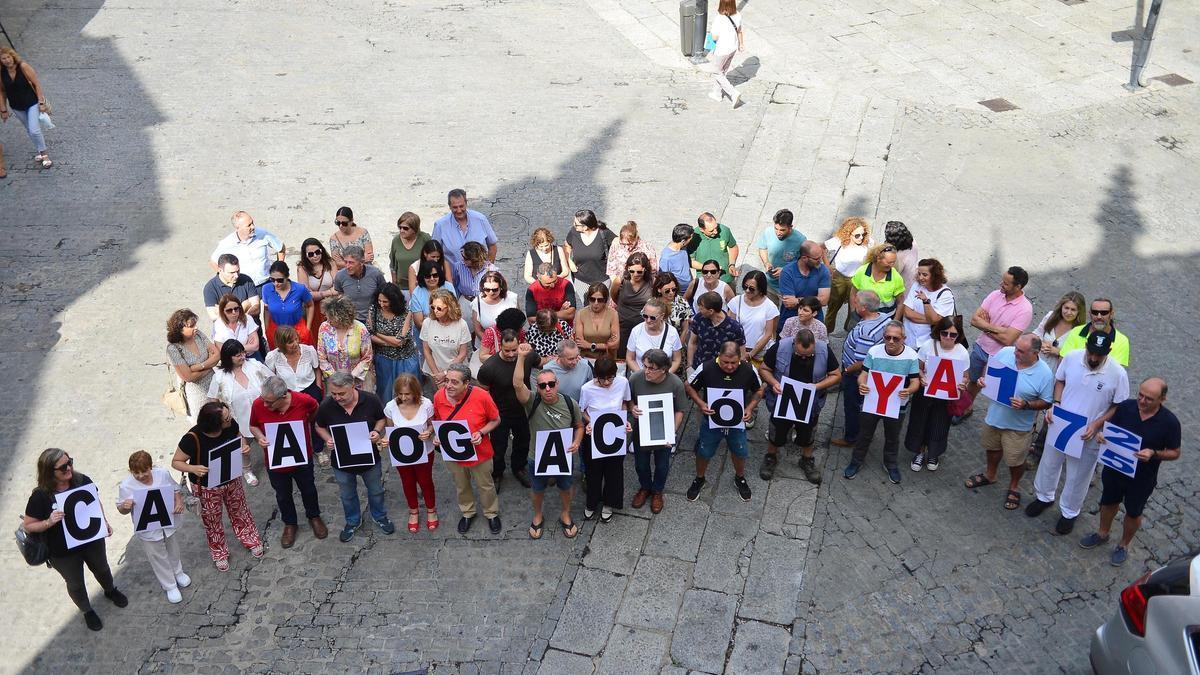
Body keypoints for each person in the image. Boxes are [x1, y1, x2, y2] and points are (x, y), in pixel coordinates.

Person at [1028, 332, 1129, 535]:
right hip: (1062, 422)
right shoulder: (1072, 357)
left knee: (1079, 474)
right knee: (1049, 461)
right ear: (1086, 347)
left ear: (1108, 352)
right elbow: (1060, 381)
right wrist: (1055, 404)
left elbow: (1118, 405)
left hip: (1088, 431)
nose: (1093, 358)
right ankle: (1044, 497)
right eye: (1091, 352)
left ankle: (1069, 512)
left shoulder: (1118, 374)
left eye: (1098, 355)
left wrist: (1098, 423)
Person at [1079, 378, 1180, 566]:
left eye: (1149, 399)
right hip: (1115, 467)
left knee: (1133, 512)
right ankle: (1103, 533)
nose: (1142, 401)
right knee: (1108, 502)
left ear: (1162, 399)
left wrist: (1154, 453)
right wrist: (1103, 436)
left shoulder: (1170, 422)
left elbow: (1175, 452)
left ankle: (1124, 545)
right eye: (1140, 395)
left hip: (1142, 477)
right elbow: (1111, 430)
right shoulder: (1126, 407)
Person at [23, 448, 126, 631]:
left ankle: (110, 590)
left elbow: (95, 501)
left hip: (91, 540)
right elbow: (29, 525)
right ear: (49, 471)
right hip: (62, 551)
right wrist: (49, 521)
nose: (69, 468)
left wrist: (104, 522)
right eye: (63, 467)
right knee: (75, 583)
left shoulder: (81, 480)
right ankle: (87, 610)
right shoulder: (40, 496)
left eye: (69, 462)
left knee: (102, 569)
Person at [961, 334, 1054, 508]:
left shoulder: (1045, 374)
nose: (1015, 352)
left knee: (1016, 460)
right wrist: (983, 379)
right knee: (992, 447)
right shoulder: (1006, 352)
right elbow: (990, 368)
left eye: (1021, 351)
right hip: (994, 417)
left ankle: (1014, 486)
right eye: (1016, 347)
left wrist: (1027, 404)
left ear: (1035, 352)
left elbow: (1047, 401)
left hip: (1018, 425)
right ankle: (990, 474)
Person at [171, 402, 264, 570]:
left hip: (231, 478)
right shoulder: (192, 438)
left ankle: (250, 539)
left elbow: (238, 436)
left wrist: (243, 446)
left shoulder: (230, 425)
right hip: (207, 487)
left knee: (240, 511)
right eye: (226, 418)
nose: (230, 419)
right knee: (212, 520)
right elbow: (176, 462)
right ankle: (219, 552)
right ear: (214, 424)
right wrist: (193, 468)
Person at [514, 344, 584, 539]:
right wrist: (521, 357)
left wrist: (577, 442)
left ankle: (566, 513)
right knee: (537, 489)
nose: (548, 389)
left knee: (565, 486)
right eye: (543, 385)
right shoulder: (532, 401)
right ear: (538, 387)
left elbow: (579, 426)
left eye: (551, 384)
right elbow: (518, 385)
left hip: (563, 455)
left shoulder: (570, 404)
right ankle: (537, 516)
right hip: (537, 456)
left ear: (557, 384)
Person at [313, 372, 394, 542]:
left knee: (376, 490)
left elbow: (381, 419)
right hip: (342, 461)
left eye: (341, 393)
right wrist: (328, 439)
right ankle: (352, 521)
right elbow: (319, 426)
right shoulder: (327, 405)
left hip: (369, 458)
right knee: (347, 494)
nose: (337, 398)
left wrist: (377, 432)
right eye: (333, 394)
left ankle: (379, 516)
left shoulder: (370, 400)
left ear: (353, 386)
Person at [248, 377, 327, 548]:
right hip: (275, 460)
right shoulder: (258, 404)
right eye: (264, 401)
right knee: (283, 495)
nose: (266, 405)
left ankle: (314, 516)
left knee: (309, 489)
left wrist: (307, 423)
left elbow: (315, 411)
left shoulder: (303, 400)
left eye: (269, 402)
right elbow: (253, 425)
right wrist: (260, 437)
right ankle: (290, 524)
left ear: (283, 396)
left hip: (301, 457)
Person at [757, 329, 841, 484]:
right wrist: (774, 383)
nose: (804, 357)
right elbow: (764, 369)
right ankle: (771, 457)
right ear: (794, 343)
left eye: (808, 355)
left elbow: (836, 375)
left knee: (808, 431)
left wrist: (817, 386)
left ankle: (807, 459)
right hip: (783, 399)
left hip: (810, 401)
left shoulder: (823, 349)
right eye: (800, 354)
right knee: (777, 428)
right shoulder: (780, 347)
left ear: (814, 345)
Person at [843, 321, 920, 484]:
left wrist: (909, 390)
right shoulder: (874, 352)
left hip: (897, 405)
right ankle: (856, 461)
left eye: (896, 338)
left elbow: (915, 381)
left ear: (903, 339)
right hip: (872, 402)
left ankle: (890, 464)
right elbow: (864, 374)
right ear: (884, 337)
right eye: (888, 337)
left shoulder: (912, 356)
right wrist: (861, 384)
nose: (891, 341)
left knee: (893, 437)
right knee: (864, 434)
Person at [685, 341, 763, 501]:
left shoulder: (749, 369)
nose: (729, 367)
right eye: (725, 362)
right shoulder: (706, 368)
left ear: (740, 358)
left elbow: (760, 389)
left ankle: (739, 477)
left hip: (737, 422)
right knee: (704, 451)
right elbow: (689, 385)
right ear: (718, 357)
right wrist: (701, 404)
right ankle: (700, 478)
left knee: (740, 451)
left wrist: (749, 408)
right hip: (711, 421)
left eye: (733, 363)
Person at [432, 364, 502, 535]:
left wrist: (481, 432)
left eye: (454, 382)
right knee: (461, 485)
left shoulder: (482, 396)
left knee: (485, 485)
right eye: (447, 380)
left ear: (467, 383)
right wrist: (437, 435)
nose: (448, 386)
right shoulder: (439, 396)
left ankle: (491, 513)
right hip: (453, 453)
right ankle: (468, 512)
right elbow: (438, 421)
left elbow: (495, 420)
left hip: (480, 452)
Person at [116, 451, 189, 603]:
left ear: (151, 467)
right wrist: (125, 506)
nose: (141, 475)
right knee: (157, 556)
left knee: (173, 548)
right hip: (148, 528)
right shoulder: (126, 486)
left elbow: (175, 489)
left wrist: (179, 502)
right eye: (136, 472)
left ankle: (178, 572)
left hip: (167, 520)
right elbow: (121, 509)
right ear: (131, 471)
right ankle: (169, 585)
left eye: (145, 471)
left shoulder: (162, 474)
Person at [962, 266, 1033, 418]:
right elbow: (975, 319)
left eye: (1006, 283)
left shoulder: (1025, 309)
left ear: (1018, 286)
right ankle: (965, 408)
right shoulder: (995, 295)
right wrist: (998, 329)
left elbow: (1008, 339)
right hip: (981, 348)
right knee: (971, 381)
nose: (1001, 284)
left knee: (992, 389)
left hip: (999, 357)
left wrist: (986, 327)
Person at [904, 317, 969, 472]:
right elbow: (917, 368)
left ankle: (933, 453)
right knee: (919, 422)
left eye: (952, 335)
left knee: (939, 424)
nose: (947, 337)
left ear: (958, 335)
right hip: (925, 393)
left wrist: (963, 383)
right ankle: (919, 452)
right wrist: (921, 377)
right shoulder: (928, 346)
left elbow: (966, 376)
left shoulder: (962, 352)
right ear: (938, 332)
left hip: (946, 397)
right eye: (944, 333)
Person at [1028, 291, 1087, 458]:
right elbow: (1036, 334)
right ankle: (1027, 434)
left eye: (1073, 310)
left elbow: (1080, 357)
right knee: (1031, 402)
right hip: (1038, 366)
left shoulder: (1081, 332)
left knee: (1050, 409)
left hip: (1058, 372)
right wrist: (1039, 344)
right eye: (1066, 308)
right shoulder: (1050, 317)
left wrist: (1058, 351)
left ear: (1079, 312)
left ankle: (1039, 449)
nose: (1068, 312)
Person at [207, 339, 273, 487]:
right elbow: (212, 400)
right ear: (228, 357)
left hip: (262, 417)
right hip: (238, 421)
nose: (242, 357)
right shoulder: (219, 377)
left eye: (242, 353)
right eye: (237, 355)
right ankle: (247, 470)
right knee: (243, 449)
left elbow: (273, 381)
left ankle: (273, 462)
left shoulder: (255, 366)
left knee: (268, 442)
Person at [628, 349, 687, 513]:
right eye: (645, 366)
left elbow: (680, 411)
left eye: (651, 368)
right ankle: (645, 487)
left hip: (663, 431)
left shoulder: (676, 384)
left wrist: (672, 432)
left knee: (662, 465)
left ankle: (657, 491)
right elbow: (628, 400)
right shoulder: (635, 378)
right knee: (640, 464)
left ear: (664, 370)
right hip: (642, 429)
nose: (646, 371)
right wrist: (633, 408)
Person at [476, 330, 535, 490]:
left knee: (523, 441)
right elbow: (482, 393)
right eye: (506, 350)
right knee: (498, 446)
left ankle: (519, 468)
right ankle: (497, 473)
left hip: (523, 410)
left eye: (514, 350)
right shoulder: (489, 367)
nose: (511, 354)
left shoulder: (527, 357)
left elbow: (543, 361)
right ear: (499, 346)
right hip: (500, 413)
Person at [830, 291, 889, 448]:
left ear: (863, 308)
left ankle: (851, 437)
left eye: (855, 302)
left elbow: (861, 361)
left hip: (855, 374)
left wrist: (846, 371)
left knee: (852, 405)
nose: (853, 304)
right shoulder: (884, 319)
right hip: (871, 371)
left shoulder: (865, 332)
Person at [577, 357, 632, 522]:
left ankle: (610, 503)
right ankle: (591, 503)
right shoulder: (587, 389)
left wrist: (624, 419)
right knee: (593, 471)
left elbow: (624, 403)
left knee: (614, 471)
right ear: (596, 376)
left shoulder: (622, 382)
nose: (607, 382)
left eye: (610, 378)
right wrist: (590, 422)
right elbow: (582, 411)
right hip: (594, 433)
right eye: (603, 379)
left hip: (615, 432)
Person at [383, 375, 439, 533]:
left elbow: (431, 425)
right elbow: (390, 430)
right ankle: (413, 511)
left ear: (415, 392)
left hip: (424, 451)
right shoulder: (390, 406)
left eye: (407, 394)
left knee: (425, 481)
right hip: (401, 453)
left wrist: (428, 432)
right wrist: (386, 439)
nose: (403, 397)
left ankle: (431, 510)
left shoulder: (426, 404)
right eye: (400, 394)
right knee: (407, 481)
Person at [265, 325, 327, 465]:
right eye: (290, 342)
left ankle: (318, 449)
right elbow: (270, 377)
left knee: (315, 420)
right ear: (281, 344)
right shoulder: (273, 356)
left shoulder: (309, 351)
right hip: (287, 394)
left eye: (296, 339)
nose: (295, 344)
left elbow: (317, 369)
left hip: (310, 389)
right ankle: (299, 450)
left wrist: (317, 387)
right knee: (293, 422)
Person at [0, 47, 53, 167]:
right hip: (16, 106)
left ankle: (45, 155)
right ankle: (40, 151)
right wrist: (3, 109)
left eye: (8, 57)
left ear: (13, 56)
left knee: (34, 130)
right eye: (3, 58)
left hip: (31, 102)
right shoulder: (1, 72)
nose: (7, 60)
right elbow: (2, 92)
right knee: (30, 130)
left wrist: (41, 102)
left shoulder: (23, 67)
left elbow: (36, 84)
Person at [368, 282, 420, 401]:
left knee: (407, 393)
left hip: (405, 359)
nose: (382, 304)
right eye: (380, 301)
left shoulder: (406, 312)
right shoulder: (373, 309)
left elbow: (400, 341)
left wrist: (377, 333)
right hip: (383, 359)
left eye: (385, 301)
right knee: (385, 395)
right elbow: (369, 335)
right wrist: (390, 342)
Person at [166, 309, 220, 421]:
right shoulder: (174, 349)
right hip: (197, 392)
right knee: (204, 423)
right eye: (191, 326)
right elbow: (188, 377)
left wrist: (197, 367)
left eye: (195, 324)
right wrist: (209, 364)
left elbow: (217, 355)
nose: (195, 327)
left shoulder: (199, 335)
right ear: (179, 329)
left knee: (221, 417)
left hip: (215, 383)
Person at [823, 217, 873, 333]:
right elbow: (821, 248)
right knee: (833, 307)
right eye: (857, 235)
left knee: (854, 308)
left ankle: (849, 330)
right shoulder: (838, 241)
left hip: (858, 279)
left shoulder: (868, 241)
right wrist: (827, 265)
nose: (861, 238)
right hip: (840, 278)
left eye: (863, 234)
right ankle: (827, 332)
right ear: (849, 234)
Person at [209, 211, 285, 287]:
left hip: (266, 283)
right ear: (238, 228)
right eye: (248, 225)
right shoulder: (227, 243)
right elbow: (213, 261)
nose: (253, 227)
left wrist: (278, 270)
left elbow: (281, 248)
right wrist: (227, 279)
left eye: (252, 223)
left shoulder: (262, 234)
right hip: (244, 287)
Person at [316, 295, 373, 388]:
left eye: (331, 318)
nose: (328, 320)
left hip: (357, 382)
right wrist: (335, 378)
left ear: (341, 317)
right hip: (334, 382)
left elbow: (367, 357)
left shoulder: (360, 328)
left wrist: (351, 378)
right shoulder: (324, 328)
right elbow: (321, 356)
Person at [432, 188, 498, 268]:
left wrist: (488, 270)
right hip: (453, 278)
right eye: (455, 207)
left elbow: (492, 246)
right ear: (449, 206)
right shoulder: (440, 225)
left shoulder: (480, 219)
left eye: (461, 206)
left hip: (478, 275)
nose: (459, 210)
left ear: (466, 203)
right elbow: (434, 253)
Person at [563, 209, 617, 307]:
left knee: (600, 306)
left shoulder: (604, 233)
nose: (573, 225)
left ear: (585, 227)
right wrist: (569, 261)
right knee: (587, 306)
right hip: (581, 279)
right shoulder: (574, 232)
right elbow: (567, 245)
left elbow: (618, 244)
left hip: (602, 279)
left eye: (576, 224)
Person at [728, 269, 779, 369]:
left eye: (751, 288)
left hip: (759, 353)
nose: (747, 290)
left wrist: (751, 354)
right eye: (745, 287)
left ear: (760, 289)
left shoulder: (770, 306)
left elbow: (769, 334)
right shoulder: (736, 301)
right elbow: (730, 327)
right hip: (737, 349)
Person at [1058, 297, 1131, 367]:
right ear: (1090, 313)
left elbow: (1116, 373)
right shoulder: (1076, 331)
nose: (1099, 316)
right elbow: (1063, 361)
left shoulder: (1122, 341)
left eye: (1104, 313)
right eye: (1095, 312)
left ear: (1111, 314)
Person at [421, 289, 472, 388]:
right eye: (433, 307)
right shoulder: (427, 323)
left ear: (449, 307)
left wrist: (445, 374)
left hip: (456, 374)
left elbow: (462, 354)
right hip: (432, 373)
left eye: (439, 308)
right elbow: (426, 351)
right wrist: (437, 375)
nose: (435, 310)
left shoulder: (461, 324)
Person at [899, 258, 954, 349]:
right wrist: (931, 320)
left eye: (925, 275)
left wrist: (926, 302)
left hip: (928, 344)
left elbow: (934, 320)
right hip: (909, 340)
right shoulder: (917, 285)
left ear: (935, 276)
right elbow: (907, 312)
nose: (920, 278)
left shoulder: (945, 295)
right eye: (919, 274)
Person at [410, 257, 459, 355]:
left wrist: (428, 318)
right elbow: (419, 322)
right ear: (422, 277)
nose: (432, 279)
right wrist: (443, 316)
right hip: (427, 336)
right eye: (428, 276)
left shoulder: (448, 286)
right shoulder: (417, 292)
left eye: (435, 275)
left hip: (449, 333)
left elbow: (454, 312)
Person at [261, 261, 314, 349]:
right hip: (276, 331)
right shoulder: (266, 289)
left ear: (287, 277)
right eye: (272, 280)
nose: (276, 283)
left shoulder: (300, 289)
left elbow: (310, 305)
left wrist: (307, 328)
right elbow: (266, 309)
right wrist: (267, 329)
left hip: (297, 330)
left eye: (280, 280)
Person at [779, 240, 831, 329]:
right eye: (816, 259)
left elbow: (824, 300)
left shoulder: (823, 270)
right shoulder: (787, 272)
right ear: (804, 258)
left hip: (814, 321)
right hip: (790, 321)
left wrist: (797, 301)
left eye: (821, 257)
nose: (820, 261)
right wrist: (815, 300)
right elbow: (789, 304)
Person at [687, 291, 745, 370]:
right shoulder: (699, 319)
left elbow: (741, 354)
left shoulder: (735, 328)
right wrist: (689, 366)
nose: (699, 310)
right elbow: (692, 343)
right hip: (699, 368)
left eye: (701, 308)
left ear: (711, 311)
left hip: (722, 371)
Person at [755, 209, 806, 298]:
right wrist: (766, 262)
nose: (778, 233)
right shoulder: (768, 232)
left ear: (790, 227)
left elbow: (805, 264)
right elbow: (762, 248)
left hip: (788, 288)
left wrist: (785, 271)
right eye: (776, 228)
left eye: (782, 230)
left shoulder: (801, 240)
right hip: (769, 284)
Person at [611, 252, 653, 356]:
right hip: (623, 325)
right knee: (621, 356)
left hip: (643, 326)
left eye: (639, 272)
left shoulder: (652, 282)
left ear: (645, 270)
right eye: (632, 271)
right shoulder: (620, 281)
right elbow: (614, 296)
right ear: (627, 269)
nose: (635, 274)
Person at [626, 297, 683, 374]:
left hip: (663, 378)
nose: (648, 320)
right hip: (641, 376)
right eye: (645, 316)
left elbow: (676, 359)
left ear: (662, 316)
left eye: (652, 318)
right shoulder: (636, 331)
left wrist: (665, 374)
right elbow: (630, 358)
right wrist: (642, 374)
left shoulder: (672, 332)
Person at [849, 243, 904, 322]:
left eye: (893, 262)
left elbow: (900, 302)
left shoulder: (896, 277)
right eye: (889, 262)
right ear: (878, 259)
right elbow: (853, 293)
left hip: (885, 321)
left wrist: (894, 322)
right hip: (861, 318)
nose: (892, 265)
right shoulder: (862, 271)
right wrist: (854, 313)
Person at [333, 246, 386, 324]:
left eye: (351, 262)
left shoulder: (375, 273)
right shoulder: (340, 276)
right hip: (350, 321)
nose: (347, 266)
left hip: (374, 319)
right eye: (345, 262)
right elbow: (340, 295)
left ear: (362, 262)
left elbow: (384, 293)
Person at [707, 0, 745, 106]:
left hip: (722, 50)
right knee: (722, 72)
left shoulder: (719, 19)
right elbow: (740, 31)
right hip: (732, 48)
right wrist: (741, 44)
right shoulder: (738, 15)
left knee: (717, 72)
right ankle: (717, 94)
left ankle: (733, 93)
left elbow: (714, 37)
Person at [203, 254, 261, 324]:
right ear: (220, 270)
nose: (236, 275)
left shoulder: (246, 280)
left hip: (252, 331)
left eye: (238, 271)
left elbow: (256, 308)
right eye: (232, 273)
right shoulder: (210, 288)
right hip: (228, 333)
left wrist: (226, 312)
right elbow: (215, 317)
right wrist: (244, 307)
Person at [296, 238, 337, 338]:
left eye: (317, 252)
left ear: (321, 250)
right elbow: (306, 294)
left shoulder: (330, 263)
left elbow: (337, 287)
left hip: (332, 306)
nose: (315, 256)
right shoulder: (302, 268)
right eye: (310, 254)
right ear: (305, 256)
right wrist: (329, 292)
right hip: (313, 308)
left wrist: (318, 295)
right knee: (317, 336)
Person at [470, 270, 519, 346]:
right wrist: (493, 345)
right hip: (486, 346)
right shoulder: (477, 303)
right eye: (487, 289)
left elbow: (518, 323)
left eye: (495, 289)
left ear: (501, 287)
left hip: (510, 346)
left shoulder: (512, 298)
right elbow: (478, 330)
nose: (491, 292)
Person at [575, 281, 620, 362]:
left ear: (605, 300)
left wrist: (591, 345)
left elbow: (615, 344)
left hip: (607, 361)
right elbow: (580, 343)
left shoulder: (613, 314)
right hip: (586, 360)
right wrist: (605, 345)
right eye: (592, 299)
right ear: (588, 299)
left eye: (600, 300)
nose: (596, 303)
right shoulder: (581, 314)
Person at [688, 212, 739, 283]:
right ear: (702, 229)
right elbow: (690, 261)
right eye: (711, 230)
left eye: (716, 227)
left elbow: (733, 247)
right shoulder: (693, 238)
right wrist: (709, 269)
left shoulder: (725, 230)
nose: (715, 232)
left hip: (725, 278)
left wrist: (732, 264)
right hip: (705, 280)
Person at [654, 272, 692, 363]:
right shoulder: (652, 303)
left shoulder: (682, 302)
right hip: (655, 347)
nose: (671, 293)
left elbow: (685, 329)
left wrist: (677, 348)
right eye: (667, 290)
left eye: (674, 289)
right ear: (659, 290)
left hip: (677, 347)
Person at [389, 212, 431, 293]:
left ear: (414, 229)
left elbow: (433, 259)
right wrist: (394, 286)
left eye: (405, 228)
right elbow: (393, 266)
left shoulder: (425, 238)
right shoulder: (396, 240)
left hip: (421, 286)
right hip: (401, 287)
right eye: (400, 227)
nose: (401, 230)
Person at [542, 339, 594, 403]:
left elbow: (592, 391)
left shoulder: (586, 366)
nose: (575, 362)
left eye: (577, 357)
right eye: (571, 359)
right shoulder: (547, 370)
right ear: (560, 356)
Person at [451, 240, 498, 307]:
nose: (463, 261)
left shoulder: (491, 269)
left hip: (485, 303)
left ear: (475, 259)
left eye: (466, 259)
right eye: (462, 257)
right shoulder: (458, 266)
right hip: (465, 301)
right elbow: (454, 284)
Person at [884, 221, 919, 292]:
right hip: (913, 280)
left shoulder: (897, 256)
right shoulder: (912, 242)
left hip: (903, 288)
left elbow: (892, 273)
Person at [659, 224, 695, 290]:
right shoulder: (666, 258)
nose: (690, 241)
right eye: (690, 239)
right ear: (683, 241)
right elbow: (663, 278)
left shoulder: (683, 247)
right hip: (679, 291)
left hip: (690, 287)